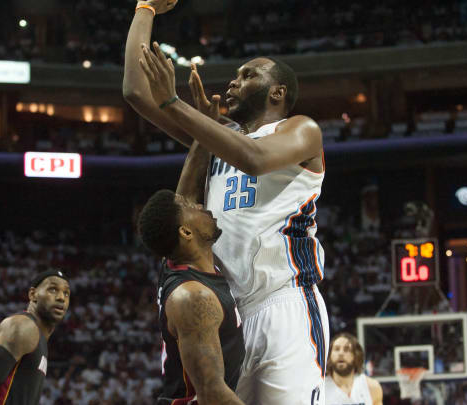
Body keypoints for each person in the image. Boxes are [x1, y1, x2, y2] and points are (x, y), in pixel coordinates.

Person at [124, 2, 329, 403]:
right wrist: (144, 8)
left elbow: (253, 158)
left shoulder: (300, 130)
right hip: (225, 310)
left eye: (248, 75)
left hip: (284, 303)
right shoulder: (218, 140)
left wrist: (175, 105)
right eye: (235, 75)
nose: (234, 82)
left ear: (278, 91)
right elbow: (134, 91)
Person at [137, 134, 246, 404]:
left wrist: (204, 132)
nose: (199, 204)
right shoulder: (194, 298)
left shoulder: (175, 262)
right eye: (191, 208)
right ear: (186, 232)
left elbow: (183, 194)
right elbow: (211, 392)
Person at [0, 270, 70, 405]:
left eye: (66, 293)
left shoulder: (38, 337)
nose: (61, 297)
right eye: (53, 290)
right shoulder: (23, 326)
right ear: (32, 294)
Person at [324, 333, 382, 405]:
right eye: (336, 349)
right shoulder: (319, 388)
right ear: (329, 356)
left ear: (356, 355)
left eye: (346, 349)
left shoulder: (372, 387)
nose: (341, 353)